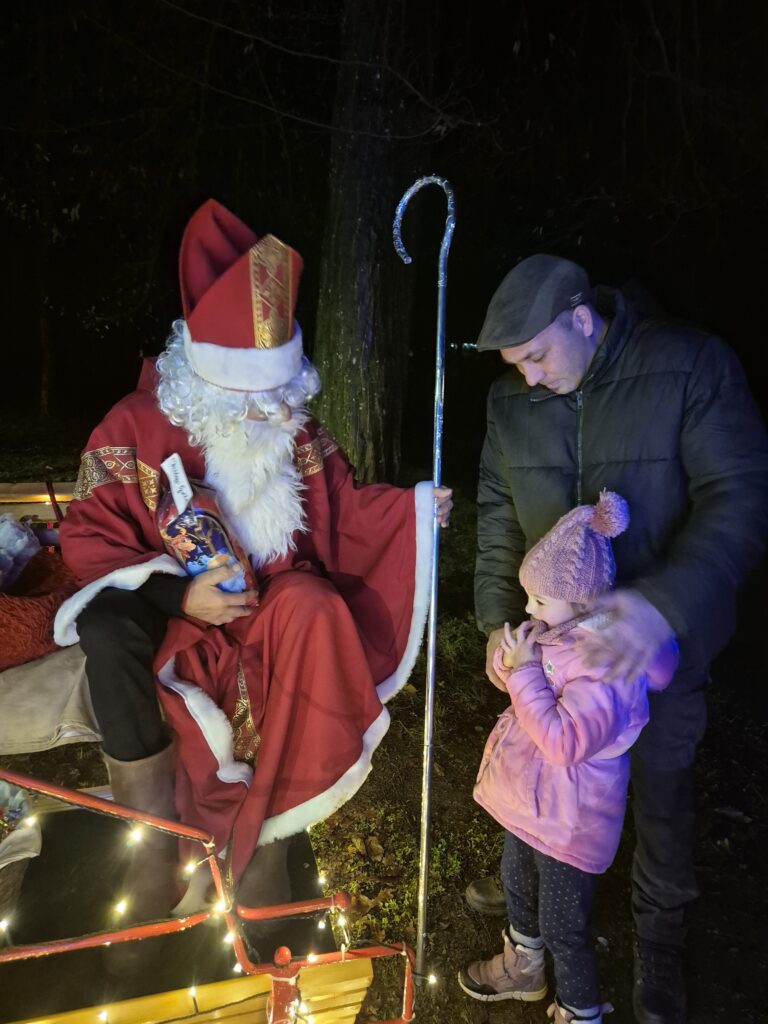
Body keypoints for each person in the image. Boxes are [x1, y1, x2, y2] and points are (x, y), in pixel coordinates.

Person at [53, 199, 452, 934]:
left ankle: (274, 834)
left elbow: (344, 506)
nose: (268, 415)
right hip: (183, 622)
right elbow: (89, 538)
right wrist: (180, 597)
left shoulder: (291, 427)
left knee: (315, 609)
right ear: (204, 381)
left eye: (275, 396)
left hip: (270, 613)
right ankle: (159, 849)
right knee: (120, 635)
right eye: (248, 400)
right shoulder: (134, 426)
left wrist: (416, 509)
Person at [469, 254, 768, 1024]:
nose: (528, 378)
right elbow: (498, 516)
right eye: (514, 365)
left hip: (660, 649)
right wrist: (497, 622)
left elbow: (740, 498)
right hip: (555, 649)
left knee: (661, 793)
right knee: (546, 770)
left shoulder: (689, 365)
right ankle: (532, 899)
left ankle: (658, 940)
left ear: (581, 317)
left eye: (537, 357)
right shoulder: (512, 404)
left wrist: (663, 606)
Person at [460, 491, 677, 1023]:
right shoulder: (560, 631)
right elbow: (525, 681)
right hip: (531, 806)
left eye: (539, 600)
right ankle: (524, 969)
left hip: (568, 823)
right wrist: (510, 665)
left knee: (563, 925)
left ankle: (580, 1009)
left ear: (580, 602)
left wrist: (524, 672)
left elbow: (563, 742)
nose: (528, 610)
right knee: (516, 884)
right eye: (528, 597)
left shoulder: (606, 667)